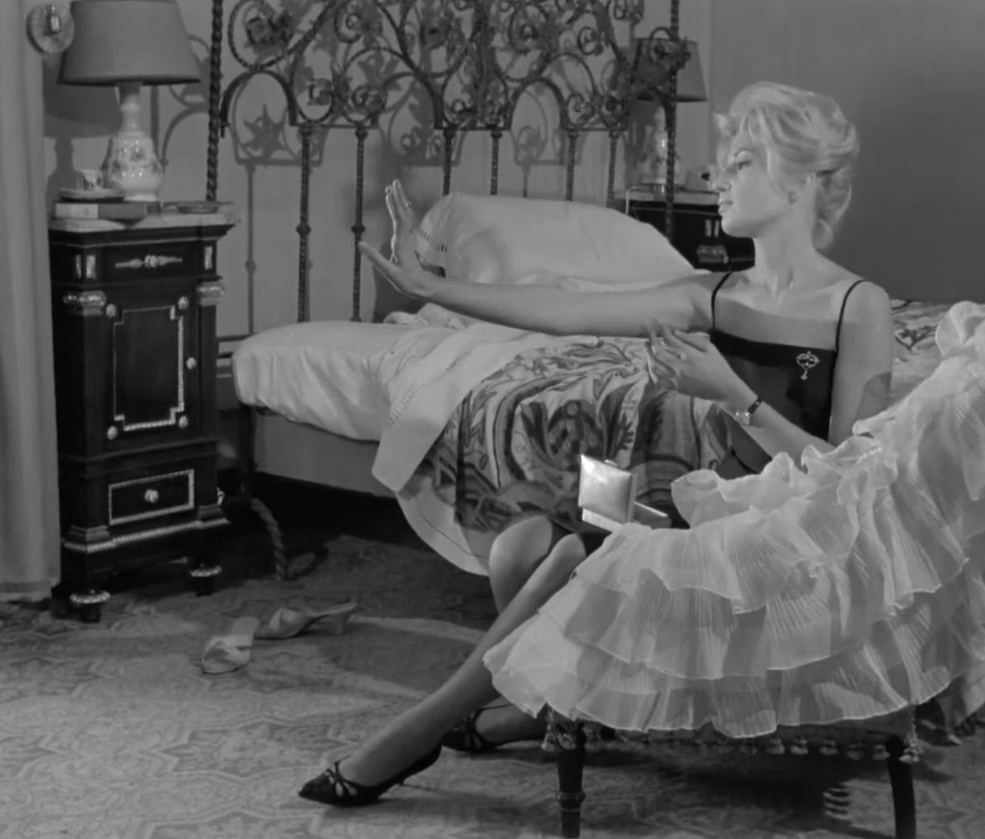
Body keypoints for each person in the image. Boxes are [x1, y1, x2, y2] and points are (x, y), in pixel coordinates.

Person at [298, 80, 894, 806]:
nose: (718, 176)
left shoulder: (857, 306)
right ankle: (552, 706)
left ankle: (417, 731)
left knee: (575, 553)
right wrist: (431, 287)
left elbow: (845, 473)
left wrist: (734, 396)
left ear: (797, 181)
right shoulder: (715, 292)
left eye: (741, 162)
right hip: (695, 505)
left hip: (776, 534)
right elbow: (566, 310)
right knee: (522, 538)